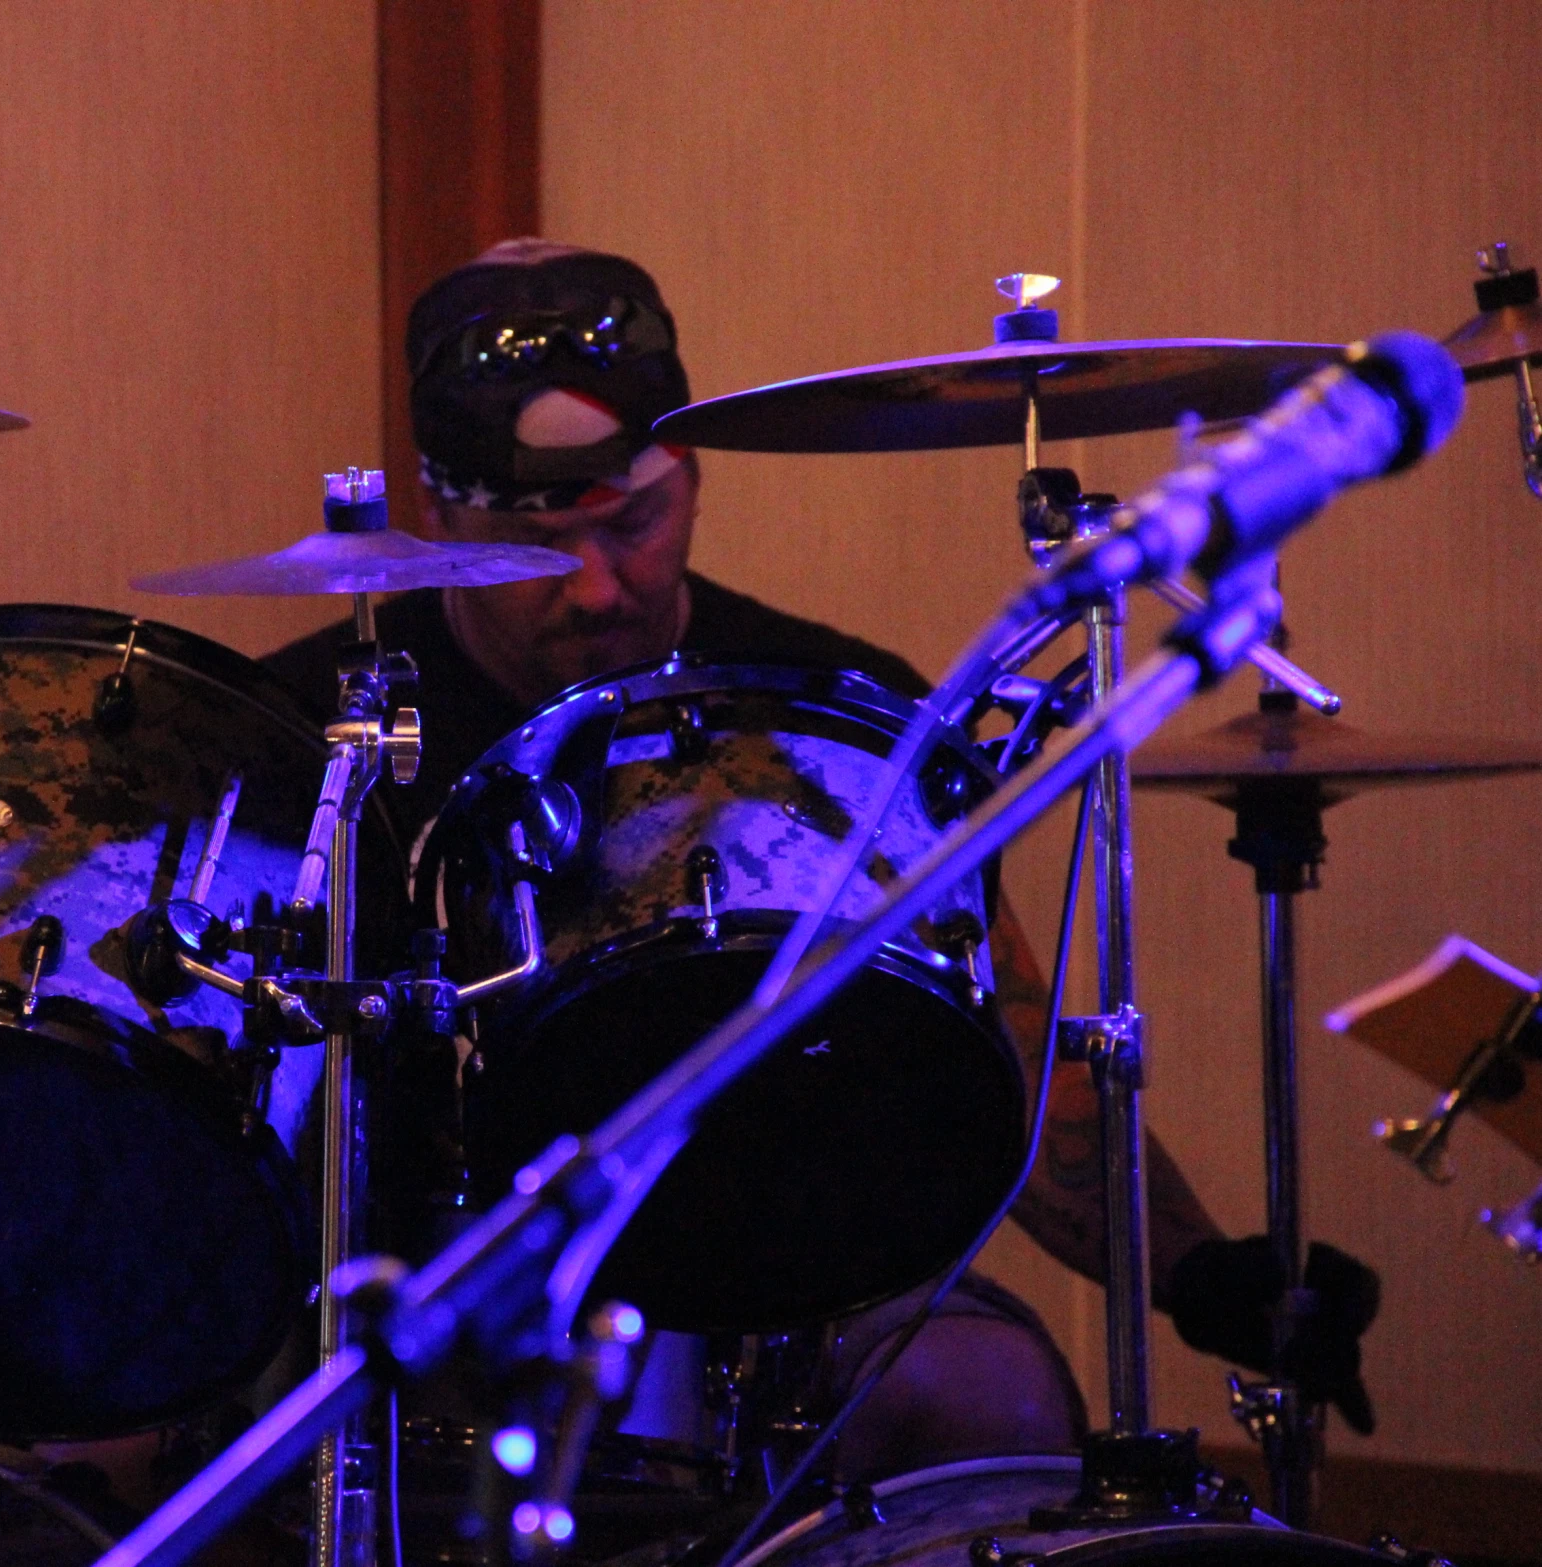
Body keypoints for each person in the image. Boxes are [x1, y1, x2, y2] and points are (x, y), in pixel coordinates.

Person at [263, 239, 1381, 1481]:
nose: (594, 588)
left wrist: (1204, 1272)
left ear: (687, 474)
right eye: (534, 546)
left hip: (791, 1282)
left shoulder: (832, 714)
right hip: (417, 1287)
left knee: (984, 1395)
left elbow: (1004, 1047)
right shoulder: (311, 728)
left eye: (634, 522)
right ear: (436, 508)